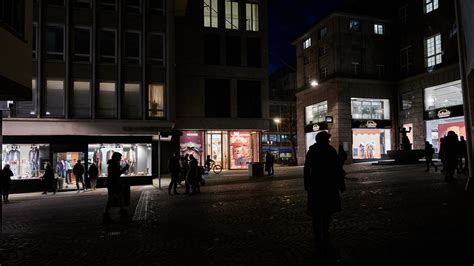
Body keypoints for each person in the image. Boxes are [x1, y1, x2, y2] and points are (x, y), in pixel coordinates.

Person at [304, 131, 345, 263]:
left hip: (316, 184)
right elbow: (336, 167)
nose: (329, 140)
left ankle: (319, 233)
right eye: (328, 139)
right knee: (326, 211)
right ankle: (324, 233)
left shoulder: (313, 151)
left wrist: (307, 183)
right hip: (327, 184)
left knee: (318, 211)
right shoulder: (329, 150)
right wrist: (341, 183)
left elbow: (307, 168)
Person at [103, 152, 129, 224]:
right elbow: (117, 174)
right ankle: (108, 215)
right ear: (116, 157)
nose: (120, 159)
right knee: (115, 198)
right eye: (120, 158)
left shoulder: (113, 164)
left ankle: (109, 214)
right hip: (113, 183)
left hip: (112, 183)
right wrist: (125, 168)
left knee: (116, 198)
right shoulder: (114, 164)